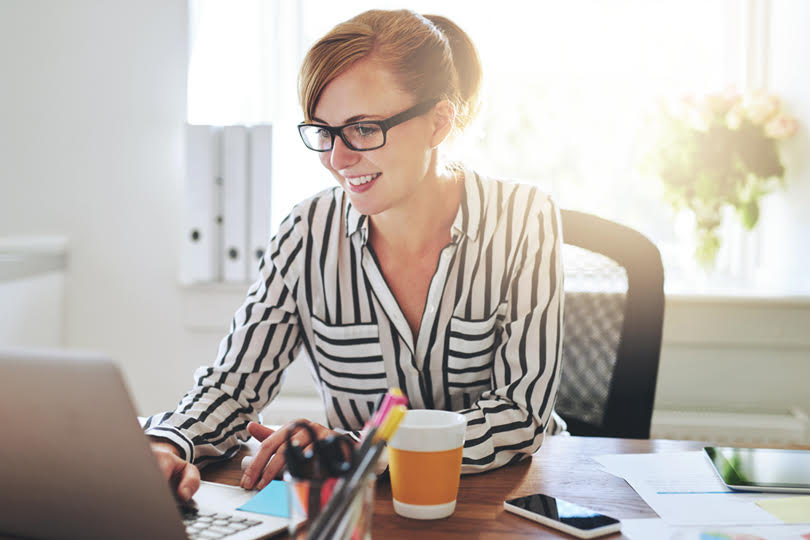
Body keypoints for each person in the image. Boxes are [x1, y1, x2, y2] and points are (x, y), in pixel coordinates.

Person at [145, 8, 563, 502]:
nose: (337, 160)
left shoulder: (523, 217)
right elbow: (232, 386)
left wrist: (365, 449)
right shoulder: (306, 231)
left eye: (363, 128)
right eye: (323, 131)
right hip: (362, 511)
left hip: (502, 505)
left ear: (438, 122)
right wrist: (164, 443)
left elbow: (521, 413)